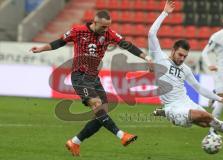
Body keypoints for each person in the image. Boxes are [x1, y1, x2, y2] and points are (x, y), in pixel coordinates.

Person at [30, 10, 153, 156]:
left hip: (94, 77)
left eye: (108, 26)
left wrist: (147, 58)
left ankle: (75, 142)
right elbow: (60, 42)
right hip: (80, 77)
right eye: (103, 27)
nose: (106, 30)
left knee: (102, 114)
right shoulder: (78, 31)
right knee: (96, 105)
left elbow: (128, 45)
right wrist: (41, 49)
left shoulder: (109, 34)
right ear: (94, 23)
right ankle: (122, 135)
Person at [150, 0, 223, 139]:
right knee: (205, 116)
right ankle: (165, 112)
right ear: (173, 50)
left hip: (187, 102)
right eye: (180, 55)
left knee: (210, 122)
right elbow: (151, 34)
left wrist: (222, 100)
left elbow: (199, 88)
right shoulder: (159, 58)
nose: (182, 59)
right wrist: (164, 13)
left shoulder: (185, 69)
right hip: (173, 107)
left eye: (185, 57)